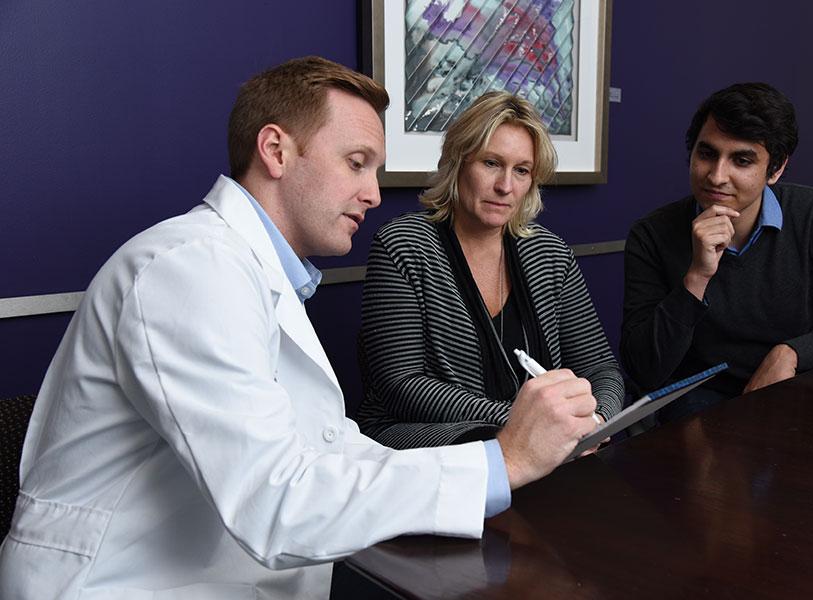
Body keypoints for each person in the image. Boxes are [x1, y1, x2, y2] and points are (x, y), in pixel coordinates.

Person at [0, 58, 603, 599]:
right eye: (356, 164)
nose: (373, 194)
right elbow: (276, 502)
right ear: (276, 150)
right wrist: (503, 460)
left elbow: (329, 448)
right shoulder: (189, 267)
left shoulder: (254, 272)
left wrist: (495, 466)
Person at [356, 91, 624, 449]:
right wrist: (524, 422)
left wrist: (595, 421)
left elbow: (601, 369)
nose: (505, 187)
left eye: (522, 171)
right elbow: (400, 385)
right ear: (458, 162)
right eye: (491, 163)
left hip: (544, 443)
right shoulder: (403, 243)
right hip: (426, 440)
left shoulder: (550, 253)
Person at [620, 82, 813, 424]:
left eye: (741, 160)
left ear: (776, 169)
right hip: (698, 406)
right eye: (707, 153)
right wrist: (697, 276)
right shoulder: (652, 233)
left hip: (793, 392)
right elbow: (643, 369)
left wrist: (794, 351)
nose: (717, 176)